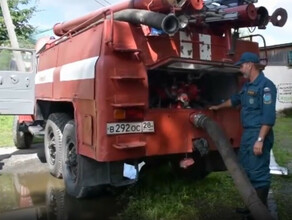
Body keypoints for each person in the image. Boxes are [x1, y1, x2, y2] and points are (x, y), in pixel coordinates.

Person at [209, 52, 277, 212]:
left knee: (258, 172)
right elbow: (235, 100)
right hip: (248, 134)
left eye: (241, 65)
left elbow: (268, 117)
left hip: (258, 133)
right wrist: (217, 107)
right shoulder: (247, 86)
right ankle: (252, 208)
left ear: (250, 65)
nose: (240, 69)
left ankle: (260, 211)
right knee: (246, 169)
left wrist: (260, 140)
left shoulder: (266, 86)